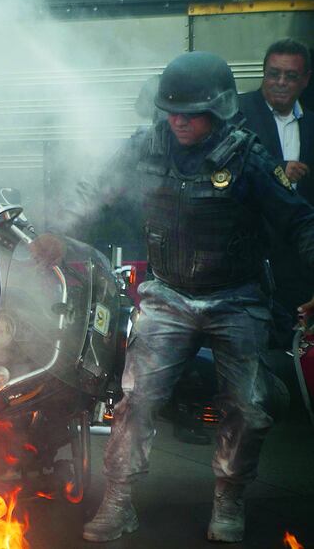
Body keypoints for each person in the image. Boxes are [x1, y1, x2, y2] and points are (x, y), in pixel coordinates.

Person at [30, 51, 314, 543]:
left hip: (236, 298)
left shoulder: (247, 155)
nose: (179, 119)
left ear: (219, 108)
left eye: (192, 111)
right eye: (172, 110)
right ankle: (118, 503)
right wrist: (58, 231)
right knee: (135, 399)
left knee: (247, 405)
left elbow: (299, 221)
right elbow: (94, 190)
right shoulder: (144, 146)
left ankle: (229, 497)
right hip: (167, 296)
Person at [238, 38, 314, 347]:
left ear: (305, 80)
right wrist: (278, 167)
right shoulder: (238, 112)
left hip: (297, 261)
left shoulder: (311, 124)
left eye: (290, 76)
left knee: (295, 347)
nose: (281, 82)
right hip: (251, 258)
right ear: (263, 74)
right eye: (273, 74)